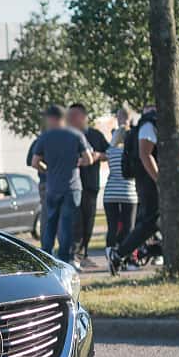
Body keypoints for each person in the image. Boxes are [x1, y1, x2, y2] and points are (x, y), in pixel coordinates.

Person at [27, 104, 95, 263]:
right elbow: (89, 159)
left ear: (50, 119)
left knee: (50, 223)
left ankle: (47, 257)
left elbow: (34, 162)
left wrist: (48, 169)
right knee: (67, 224)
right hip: (72, 187)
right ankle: (65, 259)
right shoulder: (76, 135)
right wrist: (77, 163)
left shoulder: (44, 137)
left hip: (52, 186)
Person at [109, 106, 162, 273]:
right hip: (149, 182)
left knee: (153, 221)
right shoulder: (148, 125)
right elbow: (145, 154)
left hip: (146, 181)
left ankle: (156, 251)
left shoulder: (149, 124)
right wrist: (159, 180)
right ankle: (119, 254)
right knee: (149, 223)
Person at [66, 102, 110, 267]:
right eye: (69, 116)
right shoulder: (67, 136)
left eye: (74, 115)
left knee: (88, 222)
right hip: (73, 187)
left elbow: (109, 153)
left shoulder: (95, 135)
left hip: (91, 185)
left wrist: (97, 156)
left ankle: (83, 254)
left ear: (83, 117)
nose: (70, 119)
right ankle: (74, 256)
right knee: (75, 222)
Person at [102, 126, 137, 253]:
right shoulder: (131, 152)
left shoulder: (110, 151)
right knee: (129, 227)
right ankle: (124, 254)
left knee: (112, 226)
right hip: (128, 191)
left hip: (110, 192)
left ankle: (110, 252)